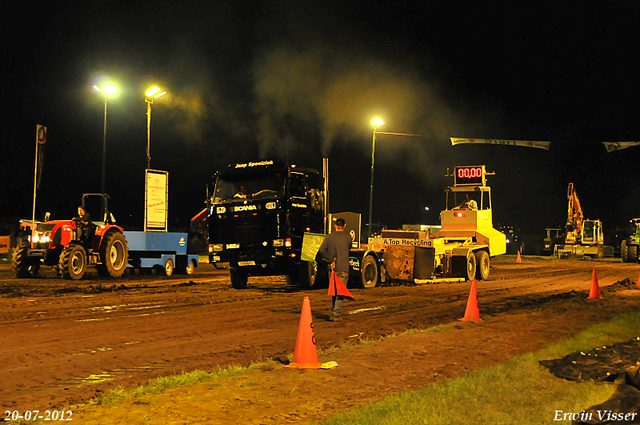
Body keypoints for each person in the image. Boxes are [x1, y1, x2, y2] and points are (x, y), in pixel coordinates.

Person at [317, 217, 352, 322]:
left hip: (332, 268)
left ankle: (334, 312)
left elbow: (321, 250)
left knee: (334, 291)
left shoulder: (329, 237)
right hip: (343, 267)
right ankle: (336, 314)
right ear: (344, 226)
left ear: (335, 226)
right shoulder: (348, 237)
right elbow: (349, 248)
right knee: (341, 293)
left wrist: (330, 260)